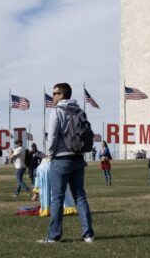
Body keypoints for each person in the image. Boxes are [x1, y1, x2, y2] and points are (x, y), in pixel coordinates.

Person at [38, 82, 93, 244]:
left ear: (62, 95)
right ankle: (88, 234)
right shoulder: (79, 110)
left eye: (55, 93)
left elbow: (52, 137)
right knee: (80, 197)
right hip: (78, 158)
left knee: (57, 198)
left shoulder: (57, 112)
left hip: (61, 159)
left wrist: (50, 155)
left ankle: (53, 236)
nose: (53, 96)